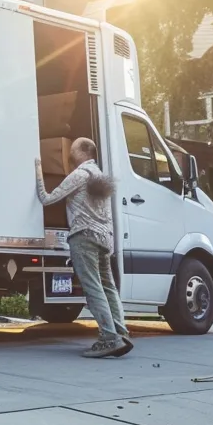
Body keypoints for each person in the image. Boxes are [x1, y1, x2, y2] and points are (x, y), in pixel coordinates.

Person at [36, 137, 130, 358]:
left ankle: (109, 339)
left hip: (84, 237)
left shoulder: (79, 175)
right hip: (105, 239)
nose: (69, 152)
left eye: (72, 148)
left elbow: (47, 198)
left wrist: (38, 170)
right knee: (108, 287)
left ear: (81, 152)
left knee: (93, 288)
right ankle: (121, 332)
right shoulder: (99, 175)